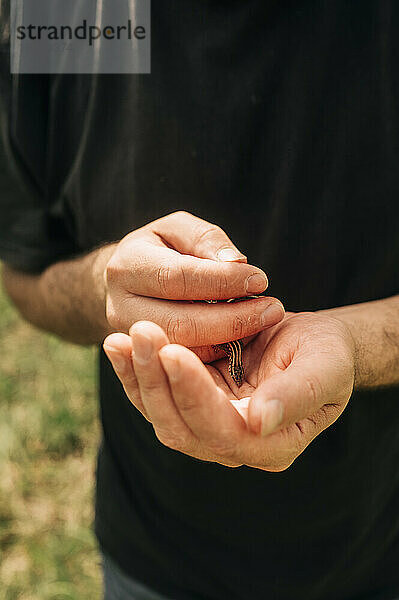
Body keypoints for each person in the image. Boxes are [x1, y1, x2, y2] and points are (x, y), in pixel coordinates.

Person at [1, 2, 399, 599]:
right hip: (150, 551)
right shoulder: (59, 15)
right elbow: (24, 263)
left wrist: (354, 342)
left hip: (376, 543)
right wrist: (104, 286)